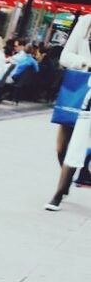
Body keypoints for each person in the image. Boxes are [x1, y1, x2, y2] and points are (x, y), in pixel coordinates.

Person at [46, 13, 91, 210]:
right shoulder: (86, 22)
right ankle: (73, 177)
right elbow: (65, 57)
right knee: (61, 147)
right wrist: (84, 62)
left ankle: (58, 193)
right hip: (80, 91)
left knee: (78, 143)